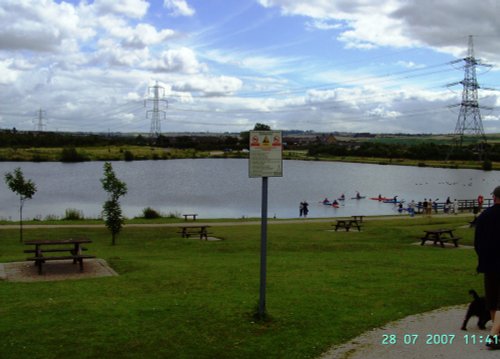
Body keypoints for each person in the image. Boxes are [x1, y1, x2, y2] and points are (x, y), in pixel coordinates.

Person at [474, 186, 500, 349]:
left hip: (489, 263)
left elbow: (478, 242)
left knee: (492, 299)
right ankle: (494, 335)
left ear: (495, 197)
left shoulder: (485, 216)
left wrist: (483, 257)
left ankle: (495, 331)